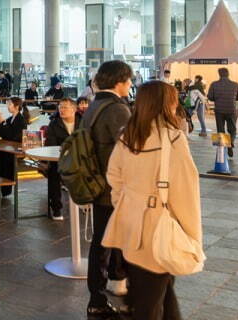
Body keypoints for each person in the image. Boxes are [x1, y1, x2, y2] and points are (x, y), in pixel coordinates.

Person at [102, 81, 202, 320]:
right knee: (151, 301)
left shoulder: (129, 136)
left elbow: (114, 176)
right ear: (166, 103)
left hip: (130, 226)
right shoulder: (174, 139)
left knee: (156, 291)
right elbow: (186, 193)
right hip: (159, 227)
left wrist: (126, 202)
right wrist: (193, 236)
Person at [83, 59, 134, 316]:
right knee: (105, 243)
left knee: (104, 241)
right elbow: (131, 148)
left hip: (96, 182)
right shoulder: (116, 109)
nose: (131, 85)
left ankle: (110, 286)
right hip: (111, 188)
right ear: (119, 82)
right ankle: (98, 300)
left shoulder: (95, 105)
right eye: (129, 81)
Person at [0, 96, 30, 198]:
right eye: (7, 104)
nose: (8, 106)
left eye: (9, 104)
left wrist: (3, 122)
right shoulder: (11, 118)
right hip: (6, 148)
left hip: (14, 151)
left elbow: (12, 136)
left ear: (16, 106)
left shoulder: (21, 120)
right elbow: (1, 133)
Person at [43, 97, 78, 220]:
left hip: (79, 159)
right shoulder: (54, 124)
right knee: (53, 172)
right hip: (59, 160)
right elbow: (50, 143)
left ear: (74, 109)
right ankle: (56, 208)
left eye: (65, 107)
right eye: (60, 107)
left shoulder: (83, 122)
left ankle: (84, 203)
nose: (61, 110)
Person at [207, 69, 238, 151]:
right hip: (231, 109)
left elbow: (210, 97)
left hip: (219, 110)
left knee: (220, 129)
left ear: (219, 74)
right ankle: (231, 141)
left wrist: (217, 98)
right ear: (228, 74)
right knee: (232, 129)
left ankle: (222, 150)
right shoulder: (235, 84)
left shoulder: (214, 84)